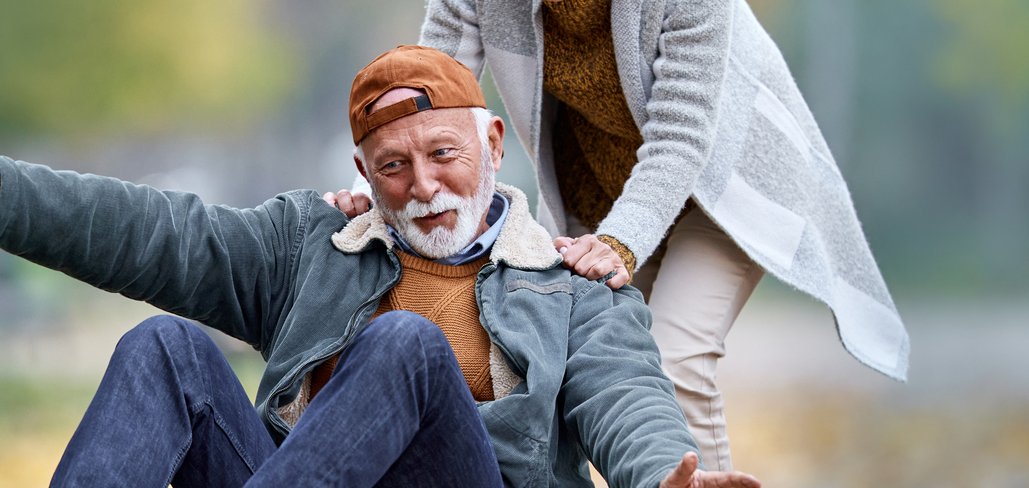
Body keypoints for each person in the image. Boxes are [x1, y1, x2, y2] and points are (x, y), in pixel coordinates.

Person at [0, 45, 759, 488]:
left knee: (405, 346)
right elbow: (156, 232)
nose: (424, 186)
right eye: (394, 167)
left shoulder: (573, 288)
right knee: (165, 349)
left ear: (494, 144)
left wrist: (663, 474)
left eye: (444, 154)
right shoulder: (313, 247)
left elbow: (629, 404)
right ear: (364, 176)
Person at [325, 0, 912, 471]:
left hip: (723, 187)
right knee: (591, 373)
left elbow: (681, 134)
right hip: (598, 188)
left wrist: (622, 243)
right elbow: (424, 90)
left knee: (675, 359)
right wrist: (372, 196)